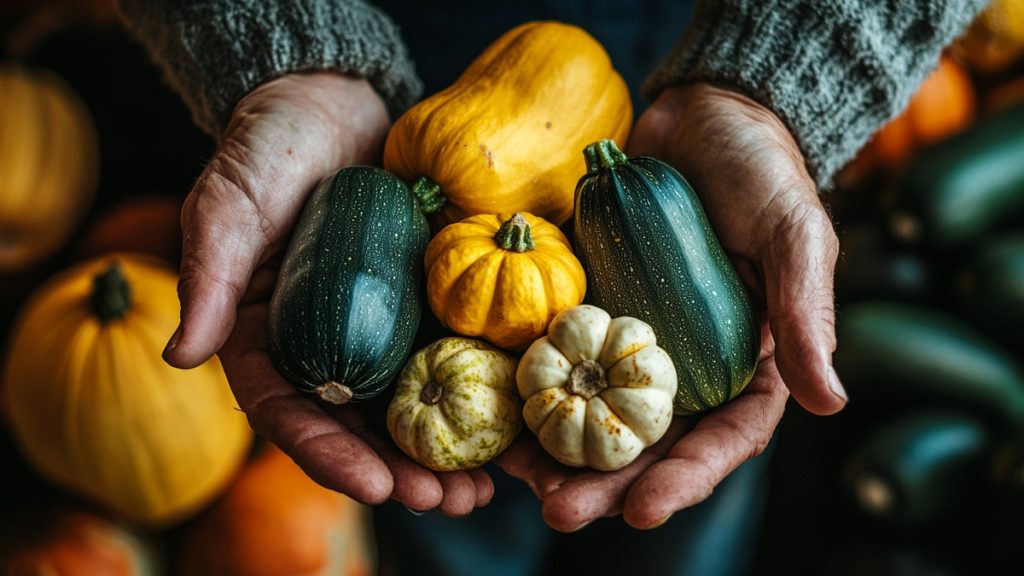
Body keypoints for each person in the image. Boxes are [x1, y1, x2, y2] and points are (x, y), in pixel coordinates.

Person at [117, 1, 987, 573]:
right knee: (438, 505)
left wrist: (776, 87)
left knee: (680, 510)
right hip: (398, 50)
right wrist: (283, 47)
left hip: (712, 26)